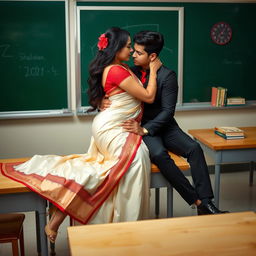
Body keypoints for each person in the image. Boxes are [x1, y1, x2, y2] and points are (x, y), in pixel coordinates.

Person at [0, 27, 162, 243]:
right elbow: (149, 96)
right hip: (114, 128)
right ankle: (121, 229)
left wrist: (100, 101)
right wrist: (153, 69)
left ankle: (60, 214)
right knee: (133, 162)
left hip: (111, 126)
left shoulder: (116, 67)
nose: (132, 50)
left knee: (101, 170)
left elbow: (110, 94)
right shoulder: (116, 70)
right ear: (116, 49)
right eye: (128, 46)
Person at [103, 30, 228, 215]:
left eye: (139, 53)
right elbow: (111, 89)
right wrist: (101, 101)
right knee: (160, 154)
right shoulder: (129, 71)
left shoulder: (168, 76)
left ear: (152, 56)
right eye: (133, 50)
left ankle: (207, 204)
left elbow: (168, 112)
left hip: (162, 126)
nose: (133, 55)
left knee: (194, 148)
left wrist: (145, 129)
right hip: (139, 126)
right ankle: (196, 200)